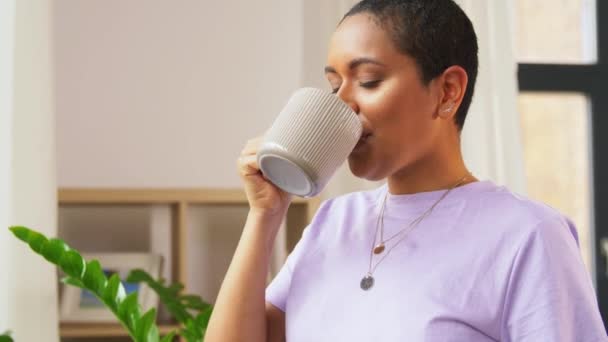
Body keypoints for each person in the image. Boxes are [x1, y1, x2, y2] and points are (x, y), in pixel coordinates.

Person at [205, 0, 607, 341]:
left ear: (447, 91)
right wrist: (265, 215)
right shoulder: (332, 222)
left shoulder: (529, 235)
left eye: (368, 80)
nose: (341, 104)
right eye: (334, 86)